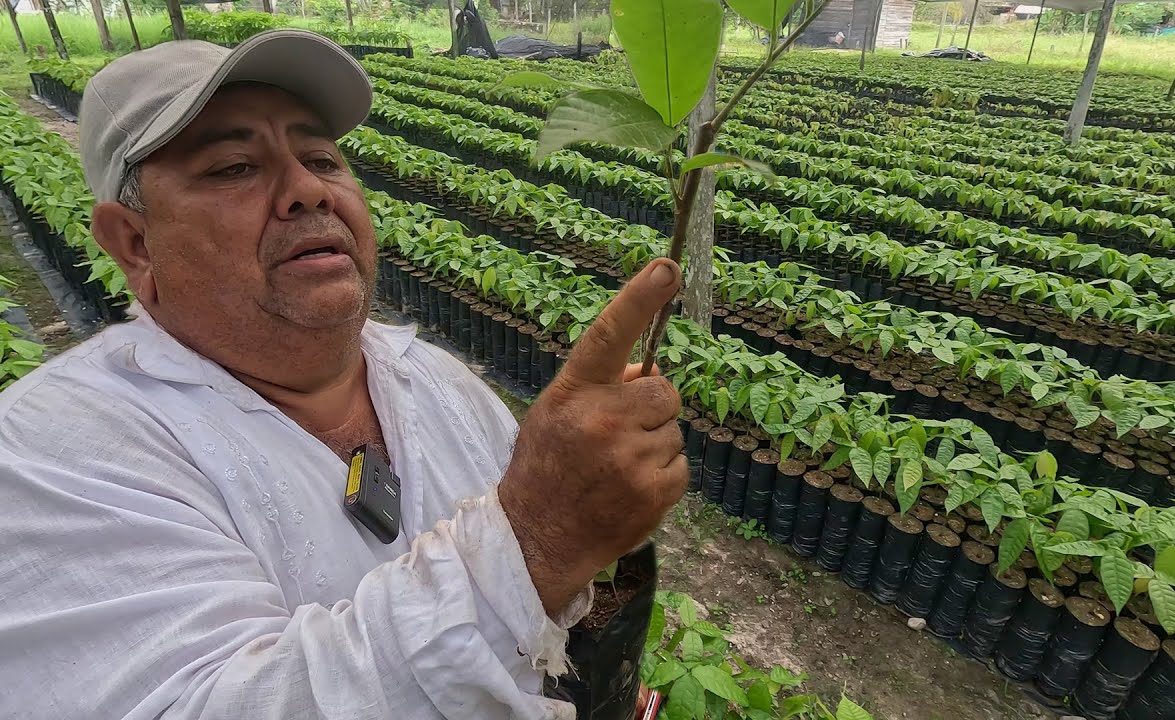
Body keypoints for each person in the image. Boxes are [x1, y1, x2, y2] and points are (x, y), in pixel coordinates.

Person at [0, 30, 686, 718]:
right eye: (234, 167)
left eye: (322, 158)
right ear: (134, 243)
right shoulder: (52, 454)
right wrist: (536, 539)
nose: (305, 189)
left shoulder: (439, 381)